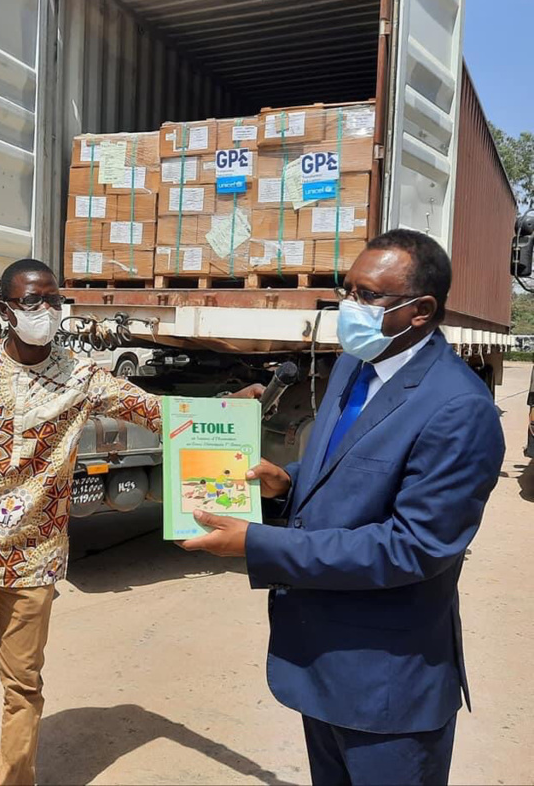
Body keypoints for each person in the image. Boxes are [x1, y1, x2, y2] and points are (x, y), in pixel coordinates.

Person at [180, 229, 505, 786]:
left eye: (367, 295)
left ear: (420, 311)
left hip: (387, 686)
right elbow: (347, 469)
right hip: (320, 662)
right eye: (346, 289)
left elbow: (414, 547)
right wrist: (288, 483)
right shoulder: (354, 368)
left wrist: (258, 544)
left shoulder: (459, 409)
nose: (347, 307)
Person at [0, 258, 164, 785]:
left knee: (23, 683)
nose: (47, 311)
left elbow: (150, 409)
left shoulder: (80, 374)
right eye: (34, 301)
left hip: (34, 551)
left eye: (54, 300)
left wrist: (227, 410)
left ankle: (15, 780)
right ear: (6, 310)